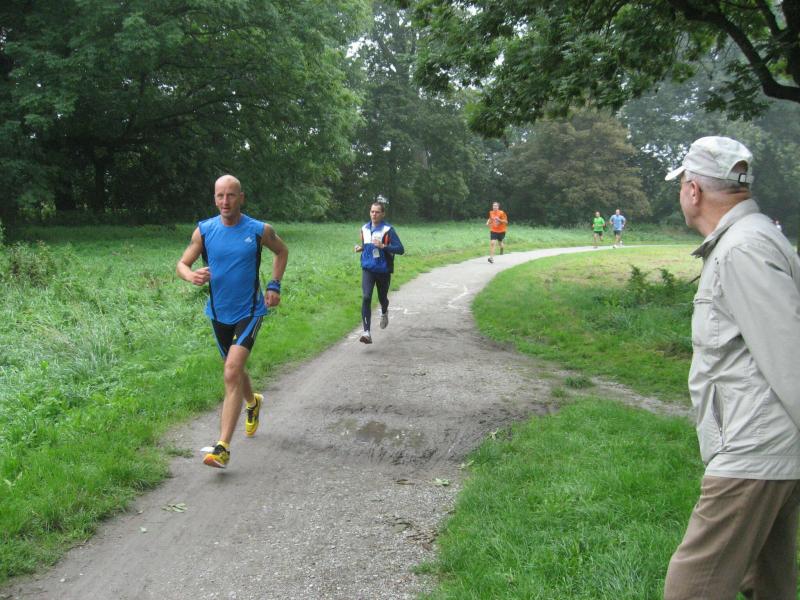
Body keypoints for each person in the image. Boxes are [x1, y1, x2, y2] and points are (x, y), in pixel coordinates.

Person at [663, 136, 800, 599]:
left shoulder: (742, 248)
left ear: (693, 190)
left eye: (681, 184)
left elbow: (789, 353)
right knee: (768, 581)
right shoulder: (751, 238)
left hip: (755, 448)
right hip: (770, 448)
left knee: (693, 585)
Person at [176, 174, 289, 468]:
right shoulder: (204, 231)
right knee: (234, 370)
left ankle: (222, 447)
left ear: (241, 198)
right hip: (218, 313)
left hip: (249, 310)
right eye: (220, 195)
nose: (225, 201)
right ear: (214, 198)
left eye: (231, 195)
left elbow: (282, 251)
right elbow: (182, 264)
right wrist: (191, 275)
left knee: (231, 371)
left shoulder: (259, 230)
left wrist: (274, 285)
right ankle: (253, 402)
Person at [354, 201, 404, 344]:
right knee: (366, 297)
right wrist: (361, 248)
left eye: (377, 212)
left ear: (383, 214)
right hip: (368, 268)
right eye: (372, 211)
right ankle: (366, 332)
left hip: (383, 270)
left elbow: (400, 249)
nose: (374, 214)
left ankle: (384, 311)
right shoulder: (364, 228)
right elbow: (367, 245)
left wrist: (383, 246)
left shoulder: (388, 230)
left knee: (382, 298)